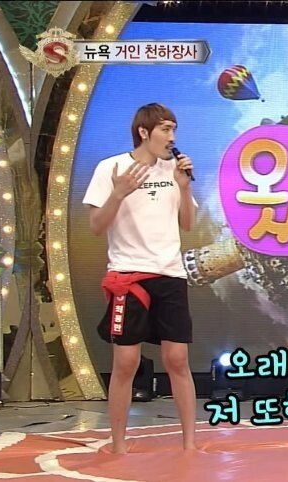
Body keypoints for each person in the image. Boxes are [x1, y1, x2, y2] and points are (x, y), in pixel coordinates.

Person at [83, 103, 198, 454]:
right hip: (128, 274)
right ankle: (118, 444)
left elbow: (188, 225)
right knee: (126, 362)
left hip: (170, 273)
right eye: (165, 129)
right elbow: (96, 226)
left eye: (174, 129)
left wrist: (184, 187)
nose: (172, 137)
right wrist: (119, 193)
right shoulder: (111, 168)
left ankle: (190, 444)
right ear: (144, 132)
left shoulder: (174, 170)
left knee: (177, 358)